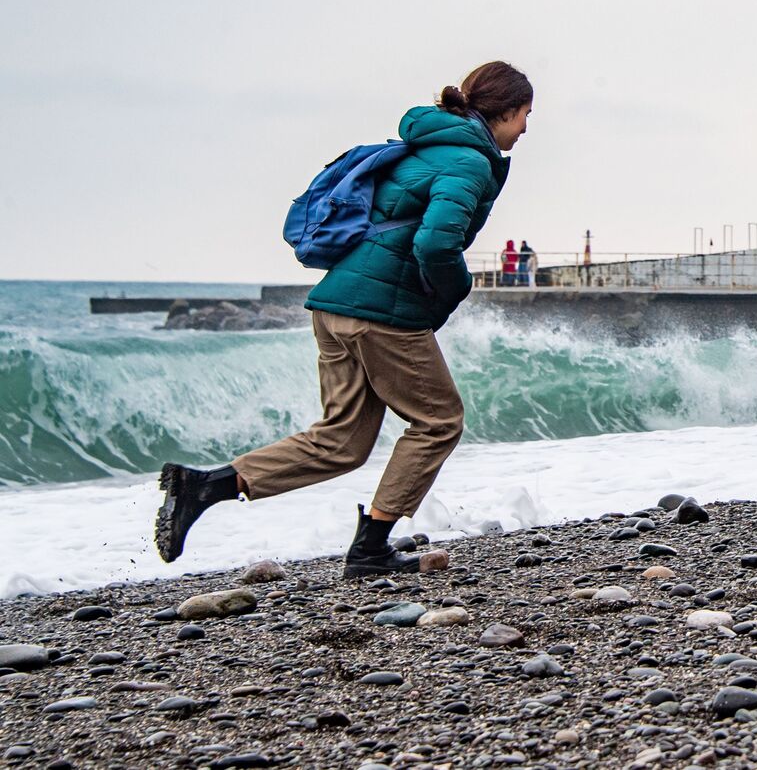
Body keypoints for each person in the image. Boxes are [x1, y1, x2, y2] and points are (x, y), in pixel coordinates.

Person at [154, 61, 534, 577]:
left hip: (335, 306)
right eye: (525, 115)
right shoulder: (469, 161)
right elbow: (436, 240)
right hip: (382, 311)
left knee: (343, 441)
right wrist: (453, 290)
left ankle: (204, 486)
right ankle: (371, 547)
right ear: (506, 111)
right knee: (438, 421)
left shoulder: (425, 143)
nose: (527, 128)